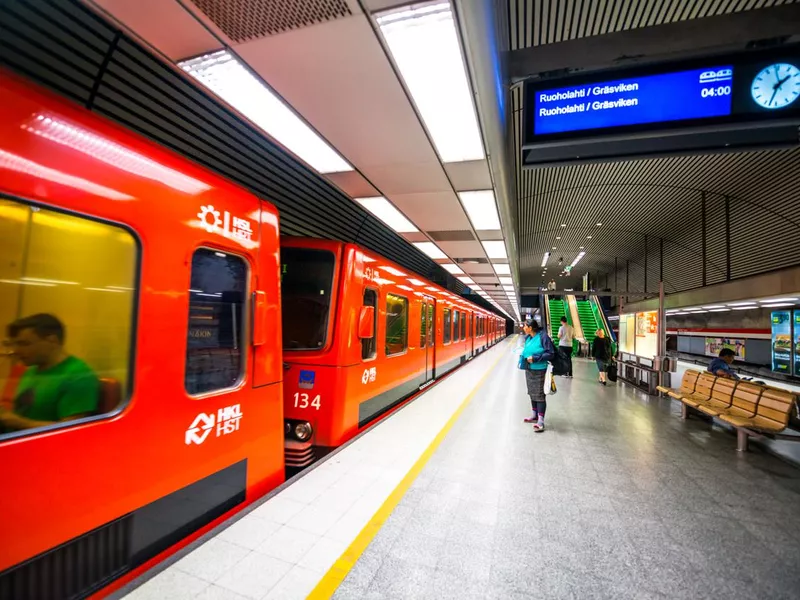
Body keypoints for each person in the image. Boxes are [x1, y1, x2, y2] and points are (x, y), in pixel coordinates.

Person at [0, 314, 99, 432]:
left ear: (52, 341)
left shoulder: (77, 375)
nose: (17, 350)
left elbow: (71, 430)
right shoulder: (31, 370)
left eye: (25, 344)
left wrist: (20, 423)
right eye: (16, 344)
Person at [521, 319, 554, 432]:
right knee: (532, 392)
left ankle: (541, 421)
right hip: (529, 369)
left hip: (540, 370)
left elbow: (550, 353)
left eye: (525, 326)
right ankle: (534, 415)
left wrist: (535, 358)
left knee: (539, 395)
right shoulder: (528, 338)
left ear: (530, 327)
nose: (523, 328)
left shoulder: (543, 337)